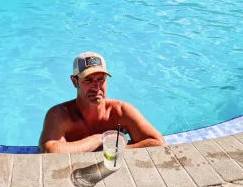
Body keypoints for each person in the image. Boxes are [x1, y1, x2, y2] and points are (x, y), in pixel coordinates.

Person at [38, 52, 166, 153]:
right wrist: (101, 139)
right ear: (74, 82)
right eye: (88, 80)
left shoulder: (121, 111)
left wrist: (113, 151)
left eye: (101, 79)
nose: (96, 87)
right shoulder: (60, 115)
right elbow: (50, 151)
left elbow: (158, 143)